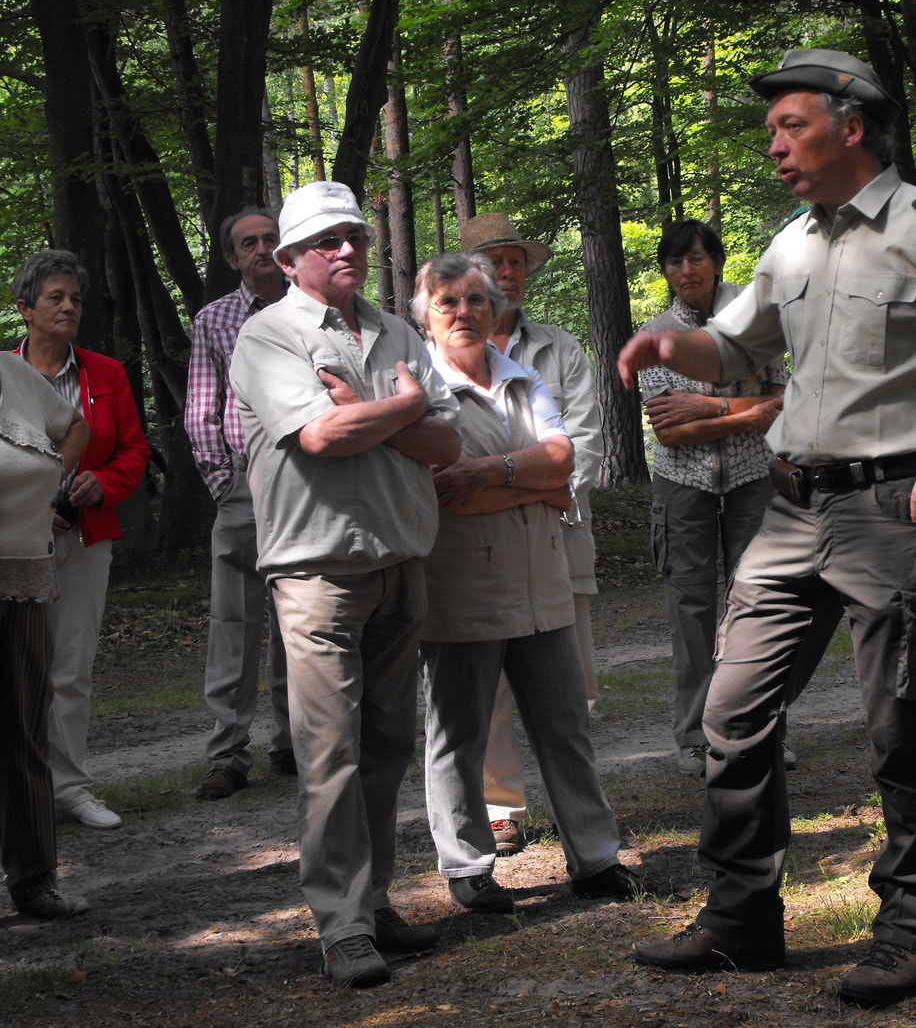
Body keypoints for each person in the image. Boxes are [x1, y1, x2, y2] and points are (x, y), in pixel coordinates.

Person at [620, 48, 916, 1006]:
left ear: (852, 125)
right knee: (731, 713)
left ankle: (909, 928)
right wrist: (668, 341)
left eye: (792, 126)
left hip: (892, 508)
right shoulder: (791, 244)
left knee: (896, 727)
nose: (775, 144)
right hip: (789, 506)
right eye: (773, 131)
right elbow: (736, 345)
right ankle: (743, 917)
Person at [228, 181, 461, 988]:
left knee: (387, 744)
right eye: (327, 240)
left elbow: (444, 447)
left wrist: (378, 409)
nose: (348, 250)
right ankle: (342, 927)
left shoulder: (398, 329)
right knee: (328, 754)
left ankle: (375, 902)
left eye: (356, 235)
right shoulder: (269, 337)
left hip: (401, 561)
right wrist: (399, 410)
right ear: (290, 259)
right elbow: (323, 434)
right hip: (317, 572)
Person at [412, 254, 644, 912]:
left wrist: (490, 474)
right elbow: (438, 491)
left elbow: (565, 462)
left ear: (495, 311)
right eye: (448, 302)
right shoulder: (422, 391)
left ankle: (595, 858)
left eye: (477, 301)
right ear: (425, 317)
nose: (464, 313)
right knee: (458, 730)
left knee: (564, 721)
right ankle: (466, 864)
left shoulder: (522, 376)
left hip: (543, 579)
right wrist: (527, 481)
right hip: (461, 585)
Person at [457, 212, 602, 858]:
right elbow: (449, 456)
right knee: (486, 684)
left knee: (570, 683)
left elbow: (585, 441)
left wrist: (538, 491)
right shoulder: (444, 356)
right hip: (479, 543)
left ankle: (583, 813)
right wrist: (520, 481)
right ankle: (500, 807)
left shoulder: (561, 348)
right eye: (495, 261)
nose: (508, 271)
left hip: (557, 529)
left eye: (516, 261)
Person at [638, 219, 786, 774]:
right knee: (691, 609)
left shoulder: (755, 323)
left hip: (753, 478)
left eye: (697, 258)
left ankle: (763, 729)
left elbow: (783, 402)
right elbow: (669, 432)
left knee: (761, 605)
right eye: (675, 262)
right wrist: (747, 413)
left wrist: (709, 408)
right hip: (682, 483)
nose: (687, 270)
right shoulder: (656, 337)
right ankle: (696, 736)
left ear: (716, 261)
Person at [12, 250, 151, 831]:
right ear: (25, 309)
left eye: (75, 298)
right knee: (15, 667)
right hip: (12, 543)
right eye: (55, 298)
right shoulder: (2, 375)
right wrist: (25, 507)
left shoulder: (106, 374)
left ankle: (68, 788)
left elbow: (135, 452)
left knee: (71, 665)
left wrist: (102, 484)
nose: (69, 307)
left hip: (86, 538)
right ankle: (20, 792)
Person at [185, 207, 293, 800]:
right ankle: (228, 754)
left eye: (269, 239)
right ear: (231, 257)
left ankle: (295, 743)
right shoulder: (215, 320)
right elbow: (202, 410)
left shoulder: (312, 310)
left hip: (307, 478)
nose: (260, 249)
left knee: (300, 616)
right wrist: (224, 481)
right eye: (248, 243)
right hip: (244, 484)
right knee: (235, 622)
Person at [1, 352, 90, 918]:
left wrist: (55, 482)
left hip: (24, 576)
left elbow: (75, 425)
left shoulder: (12, 375)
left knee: (24, 730)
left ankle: (35, 881)